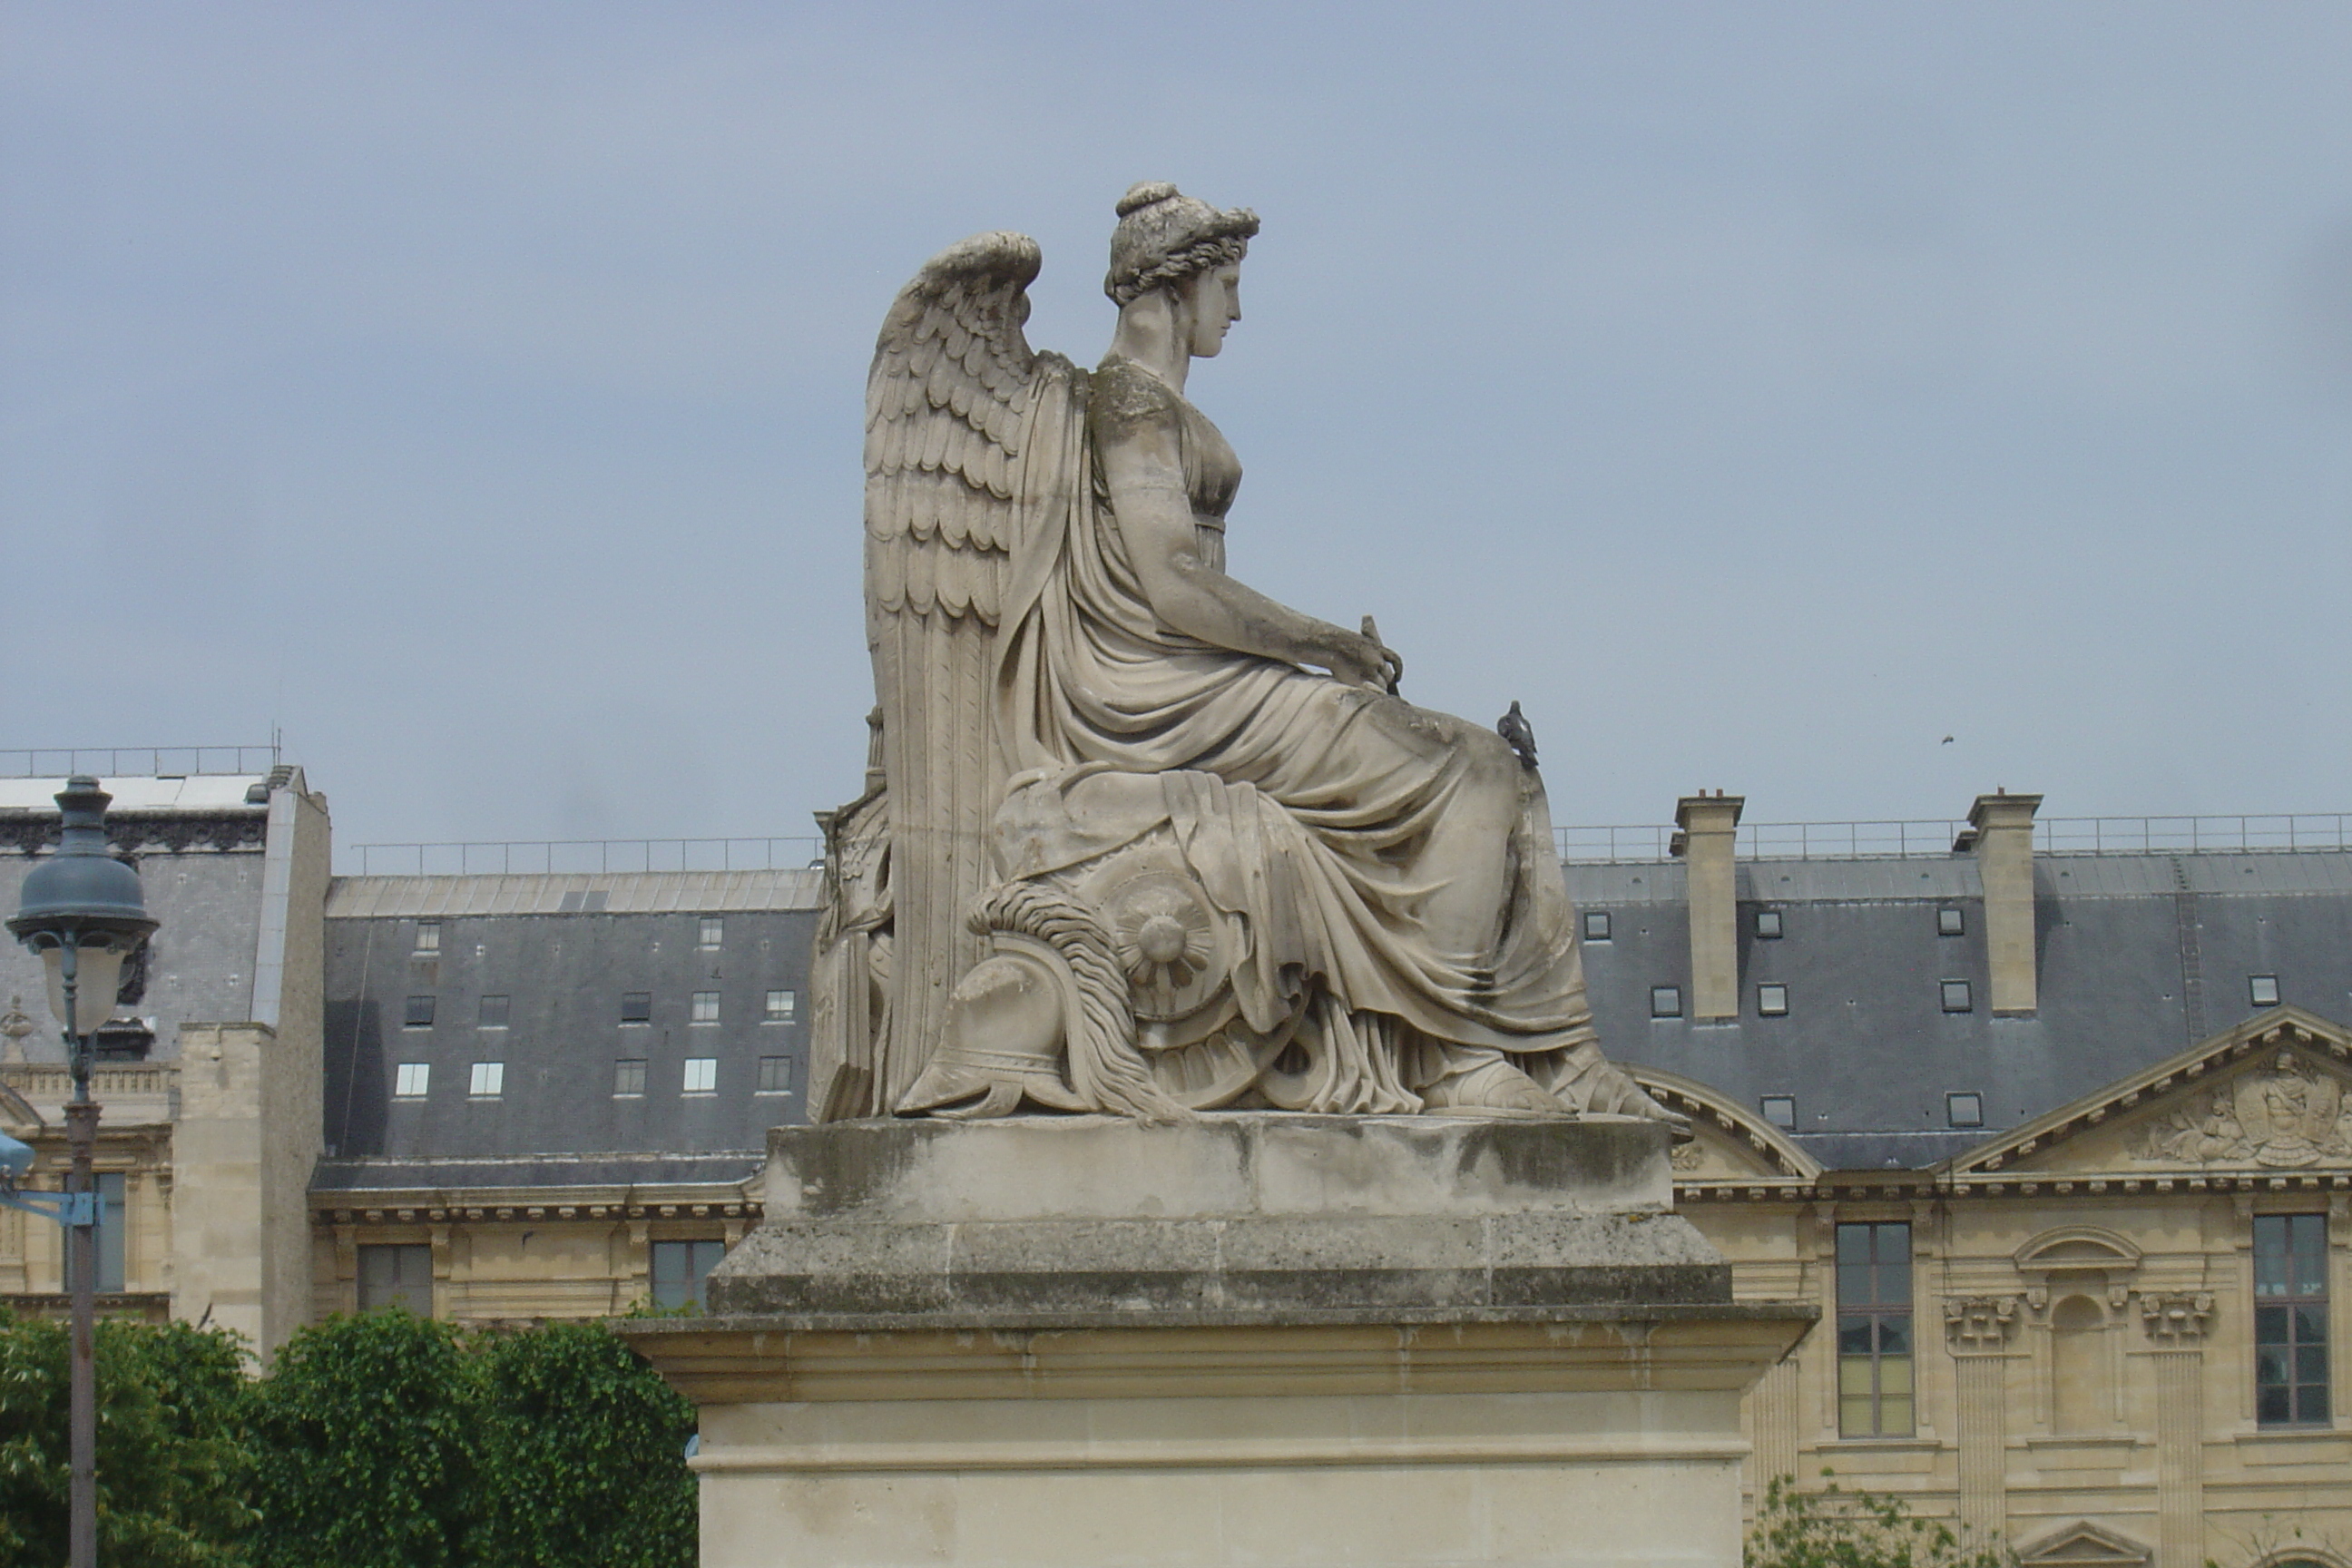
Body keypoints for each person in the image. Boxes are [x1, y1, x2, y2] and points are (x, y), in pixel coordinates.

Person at [992, 182, 1672, 1122]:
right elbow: (1174, 584)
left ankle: (1559, 1048)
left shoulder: (1142, 405)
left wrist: (1315, 653)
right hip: (1151, 690)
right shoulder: (1130, 404)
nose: (1237, 307)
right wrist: (1323, 645)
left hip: (1196, 676)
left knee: (1502, 772)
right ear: (1178, 286)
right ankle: (1461, 1057)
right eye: (1227, 283)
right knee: (1473, 768)